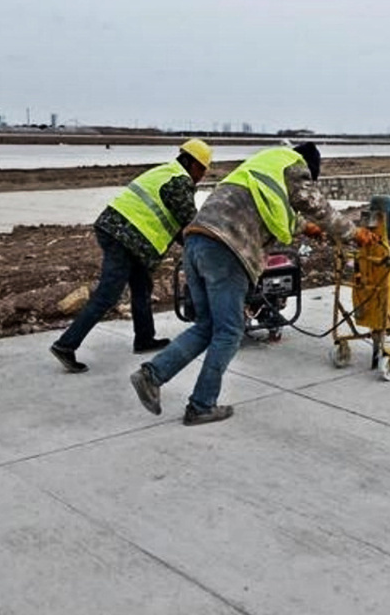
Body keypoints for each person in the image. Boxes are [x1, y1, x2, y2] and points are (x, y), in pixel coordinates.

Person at [129, 141, 373, 425]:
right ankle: (201, 405)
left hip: (197, 241)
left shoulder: (264, 164)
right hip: (227, 248)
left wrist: (307, 228)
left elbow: (267, 207)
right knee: (230, 332)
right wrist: (355, 234)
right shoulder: (295, 165)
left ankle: (152, 375)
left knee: (208, 326)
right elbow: (318, 206)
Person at [50, 138, 213, 373]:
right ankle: (65, 345)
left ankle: (144, 338)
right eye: (202, 169)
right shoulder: (179, 181)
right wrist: (204, 247)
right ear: (191, 163)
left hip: (127, 237)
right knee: (108, 294)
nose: (203, 176)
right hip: (123, 237)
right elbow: (188, 222)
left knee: (142, 287)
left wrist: (190, 244)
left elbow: (178, 227)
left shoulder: (167, 173)